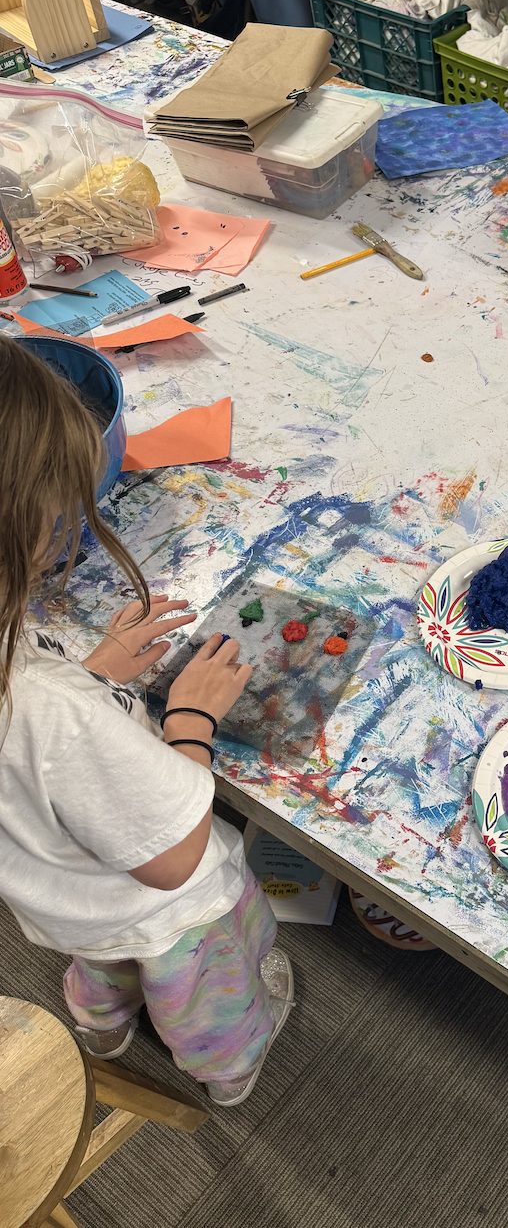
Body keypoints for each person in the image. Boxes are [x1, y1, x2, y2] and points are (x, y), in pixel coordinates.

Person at [0, 337, 292, 1107]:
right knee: (202, 990)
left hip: (55, 895)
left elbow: (26, 766)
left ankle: (100, 1022)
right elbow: (172, 857)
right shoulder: (44, 708)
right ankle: (226, 1070)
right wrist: (189, 717)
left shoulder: (40, 695)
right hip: (165, 914)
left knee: (101, 961)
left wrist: (91, 674)